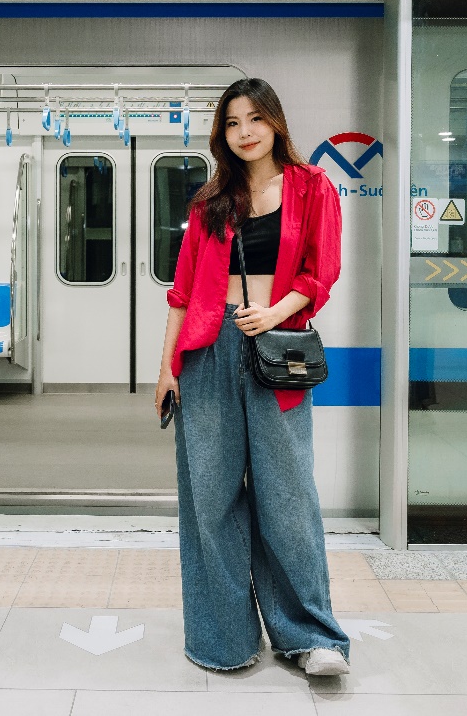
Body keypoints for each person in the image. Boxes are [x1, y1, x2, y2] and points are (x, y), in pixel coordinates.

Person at [155, 77, 350, 677]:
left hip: (278, 352)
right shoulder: (210, 199)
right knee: (209, 499)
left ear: (276, 123)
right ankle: (224, 639)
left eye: (255, 120)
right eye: (233, 123)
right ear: (223, 133)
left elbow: (322, 271)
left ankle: (312, 637)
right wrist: (167, 368)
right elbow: (183, 292)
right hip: (208, 355)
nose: (245, 133)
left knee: (287, 497)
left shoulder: (312, 186)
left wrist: (274, 313)